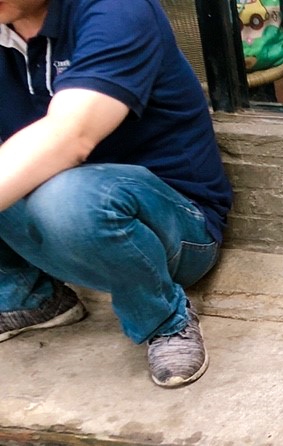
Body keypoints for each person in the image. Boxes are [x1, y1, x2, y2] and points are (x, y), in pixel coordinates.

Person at [0, 0, 232, 388]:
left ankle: (165, 318)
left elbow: (69, 137)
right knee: (53, 193)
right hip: (57, 220)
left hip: (170, 226)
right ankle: (31, 297)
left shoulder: (117, 10)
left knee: (67, 199)